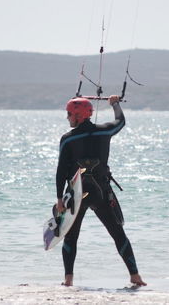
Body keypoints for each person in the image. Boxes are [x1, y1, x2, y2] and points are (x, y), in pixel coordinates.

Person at [56, 95, 147, 287]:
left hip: (77, 194)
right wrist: (115, 103)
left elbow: (61, 171)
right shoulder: (105, 131)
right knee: (118, 233)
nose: (67, 118)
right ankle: (135, 276)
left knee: (71, 236)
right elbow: (120, 121)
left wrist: (59, 199)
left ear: (78, 115)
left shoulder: (68, 139)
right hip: (101, 191)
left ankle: (68, 280)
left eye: (69, 114)